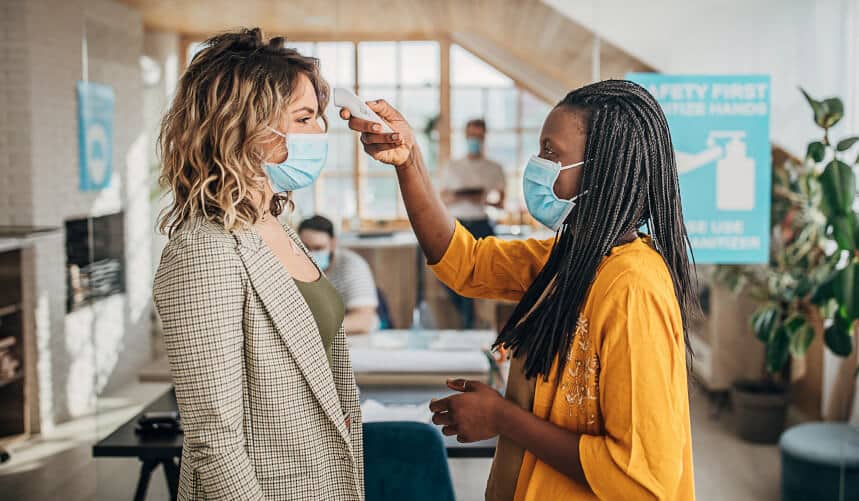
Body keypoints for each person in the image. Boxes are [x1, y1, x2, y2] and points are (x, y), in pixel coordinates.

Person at [341, 80, 696, 500]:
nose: (537, 165)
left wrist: (502, 418)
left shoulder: (633, 288)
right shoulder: (571, 259)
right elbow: (466, 262)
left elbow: (640, 479)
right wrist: (409, 160)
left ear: (604, 170)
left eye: (551, 153)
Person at [153, 28, 363, 500]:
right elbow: (214, 442)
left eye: (318, 117)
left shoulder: (275, 225)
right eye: (304, 118)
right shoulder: (203, 252)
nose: (320, 131)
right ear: (244, 127)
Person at [439, 119, 506, 328]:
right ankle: (468, 319)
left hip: (482, 225)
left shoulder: (494, 168)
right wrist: (459, 197)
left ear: (484, 137)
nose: (474, 140)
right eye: (471, 136)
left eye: (478, 136)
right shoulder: (452, 167)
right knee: (448, 274)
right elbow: (441, 199)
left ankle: (473, 323)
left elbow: (501, 203)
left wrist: (483, 199)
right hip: (456, 225)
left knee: (480, 276)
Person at [298, 215, 380, 334]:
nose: (310, 254)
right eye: (305, 248)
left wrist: (313, 330)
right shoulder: (295, 268)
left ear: (333, 244)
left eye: (318, 248)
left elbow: (364, 320)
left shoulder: (352, 266)